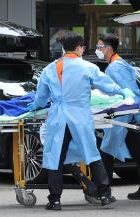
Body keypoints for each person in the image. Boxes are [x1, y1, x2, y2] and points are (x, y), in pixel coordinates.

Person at [27, 31, 126, 210]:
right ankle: (104, 195)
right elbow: (107, 85)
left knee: (55, 157)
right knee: (92, 154)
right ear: (79, 48)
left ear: (63, 48)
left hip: (58, 118)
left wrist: (35, 107)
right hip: (80, 117)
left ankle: (55, 200)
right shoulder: (87, 67)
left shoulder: (51, 68)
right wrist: (122, 92)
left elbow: (41, 97)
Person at [95, 33, 140, 200]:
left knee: (106, 151)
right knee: (137, 153)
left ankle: (104, 193)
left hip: (123, 115)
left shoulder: (115, 67)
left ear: (109, 48)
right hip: (129, 115)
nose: (97, 50)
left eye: (99, 47)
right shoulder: (120, 64)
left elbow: (128, 93)